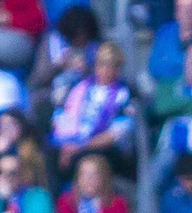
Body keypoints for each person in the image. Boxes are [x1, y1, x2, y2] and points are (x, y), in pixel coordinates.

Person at [50, 41, 134, 173]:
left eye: (110, 66)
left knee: (84, 159)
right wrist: (66, 143)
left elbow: (117, 133)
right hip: (69, 140)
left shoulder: (123, 95)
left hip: (97, 147)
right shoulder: (78, 86)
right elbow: (60, 114)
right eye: (102, 65)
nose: (105, 70)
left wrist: (80, 146)